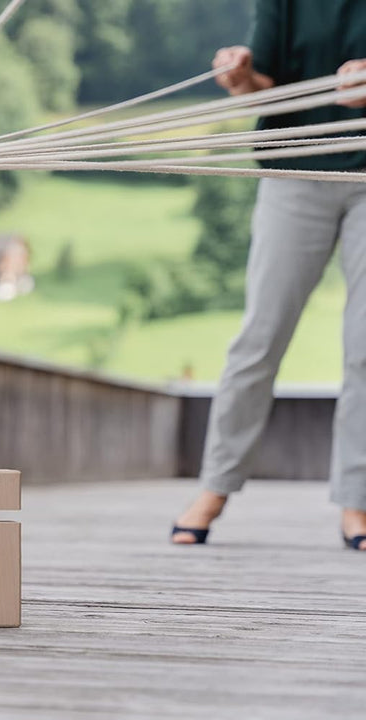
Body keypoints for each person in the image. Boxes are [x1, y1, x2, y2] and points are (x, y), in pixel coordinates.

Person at [172, 0, 366, 550]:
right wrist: (241, 78)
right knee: (261, 336)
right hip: (292, 170)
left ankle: (358, 503)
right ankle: (214, 488)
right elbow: (264, 87)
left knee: (365, 346)